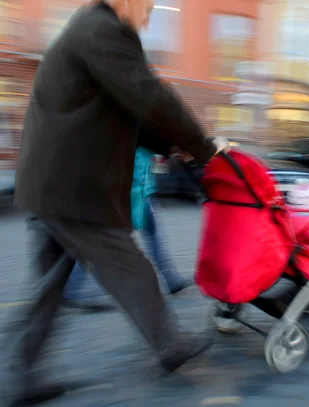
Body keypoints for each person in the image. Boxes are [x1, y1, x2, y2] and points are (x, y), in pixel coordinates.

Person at [4, 0, 229, 405]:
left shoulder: (88, 30)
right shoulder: (104, 29)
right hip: (74, 188)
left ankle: (20, 377)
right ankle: (171, 345)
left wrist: (176, 146)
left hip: (49, 185)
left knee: (48, 288)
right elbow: (151, 97)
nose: (148, 18)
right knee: (130, 268)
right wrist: (203, 145)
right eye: (147, 8)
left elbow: (128, 113)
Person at [63, 147, 192, 311]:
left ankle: (73, 288)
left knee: (99, 240)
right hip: (137, 194)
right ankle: (169, 279)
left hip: (125, 194)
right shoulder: (137, 135)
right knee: (149, 238)